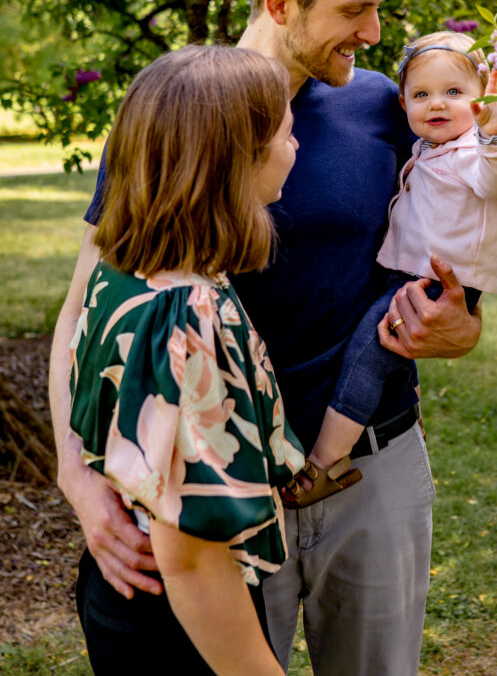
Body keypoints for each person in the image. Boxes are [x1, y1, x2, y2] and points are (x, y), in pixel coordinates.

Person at [50, 0, 482, 676]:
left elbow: (454, 246)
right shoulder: (177, 112)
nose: (375, 34)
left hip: (372, 469)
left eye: (378, 9)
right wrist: (77, 478)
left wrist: (461, 324)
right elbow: (89, 303)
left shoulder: (388, 107)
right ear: (281, 2)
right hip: (226, 489)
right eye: (355, 9)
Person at [68, 44, 305, 676]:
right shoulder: (189, 320)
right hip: (180, 620)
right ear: (237, 159)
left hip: (122, 591)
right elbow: (194, 560)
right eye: (286, 131)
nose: (296, 146)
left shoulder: (124, 269)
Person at [296, 30, 497, 482]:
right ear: (403, 104)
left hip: (436, 281)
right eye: (421, 94)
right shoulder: (429, 149)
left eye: (454, 92)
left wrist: (493, 138)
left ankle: (324, 463)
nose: (436, 103)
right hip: (413, 274)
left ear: (480, 100)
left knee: (366, 357)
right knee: (372, 353)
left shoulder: (476, 151)